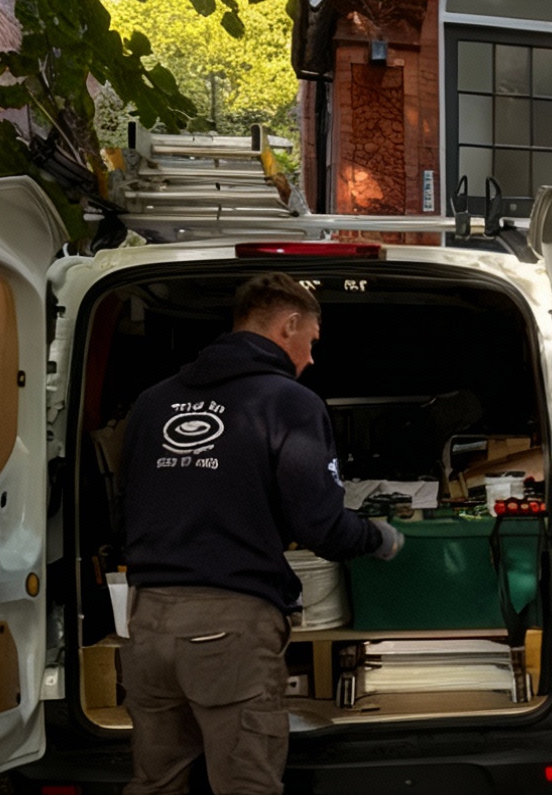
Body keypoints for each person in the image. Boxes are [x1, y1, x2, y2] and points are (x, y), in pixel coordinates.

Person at [119, 271, 402, 795]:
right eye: (311, 341)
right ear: (288, 325)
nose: (310, 359)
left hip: (147, 623)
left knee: (156, 782)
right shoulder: (289, 402)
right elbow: (320, 526)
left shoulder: (152, 403)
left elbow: (125, 501)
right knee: (247, 781)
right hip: (228, 627)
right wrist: (377, 538)